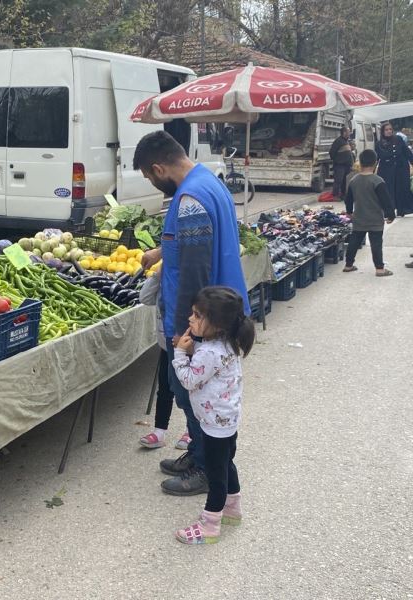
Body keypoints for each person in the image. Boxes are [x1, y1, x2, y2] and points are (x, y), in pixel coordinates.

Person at [133, 130, 249, 497]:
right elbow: (193, 246)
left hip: (203, 319)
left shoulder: (190, 200)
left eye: (150, 178)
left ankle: (204, 468)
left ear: (158, 167)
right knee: (195, 393)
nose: (153, 185)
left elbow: (196, 270)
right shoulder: (208, 184)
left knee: (193, 394)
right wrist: (161, 251)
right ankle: (199, 454)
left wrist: (188, 332)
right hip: (219, 309)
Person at [171, 286, 255, 545]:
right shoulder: (227, 343)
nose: (190, 319)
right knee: (226, 463)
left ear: (216, 324)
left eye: (197, 316)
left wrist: (180, 354)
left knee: (215, 474)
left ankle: (210, 525)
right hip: (226, 420)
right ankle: (233, 507)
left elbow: (189, 380)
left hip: (214, 425)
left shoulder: (208, 352)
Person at [137, 262, 190, 450]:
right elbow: (144, 297)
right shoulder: (162, 284)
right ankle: (159, 432)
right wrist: (157, 275)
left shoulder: (189, 285)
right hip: (166, 345)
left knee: (190, 391)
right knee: (165, 388)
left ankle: (191, 431)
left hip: (188, 348)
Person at [342, 149, 395, 277]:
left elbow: (348, 198)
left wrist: (349, 212)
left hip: (359, 218)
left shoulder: (354, 180)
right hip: (375, 219)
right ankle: (380, 269)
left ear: (360, 163)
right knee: (376, 243)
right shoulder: (377, 181)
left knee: (354, 241)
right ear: (375, 163)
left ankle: (348, 265)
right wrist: (390, 214)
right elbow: (386, 200)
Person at [375, 122, 413, 218]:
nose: (389, 131)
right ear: (383, 131)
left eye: (390, 129)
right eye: (386, 130)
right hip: (386, 170)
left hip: (401, 169)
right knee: (388, 191)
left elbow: (407, 152)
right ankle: (389, 211)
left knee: (401, 189)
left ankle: (402, 210)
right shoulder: (379, 144)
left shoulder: (398, 139)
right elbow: (377, 157)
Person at [329, 126, 354, 200]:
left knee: (344, 182)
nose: (349, 133)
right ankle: (335, 196)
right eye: (348, 132)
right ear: (344, 132)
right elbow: (332, 153)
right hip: (340, 165)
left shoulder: (346, 141)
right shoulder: (338, 141)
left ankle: (343, 195)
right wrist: (337, 160)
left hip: (346, 166)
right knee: (338, 181)